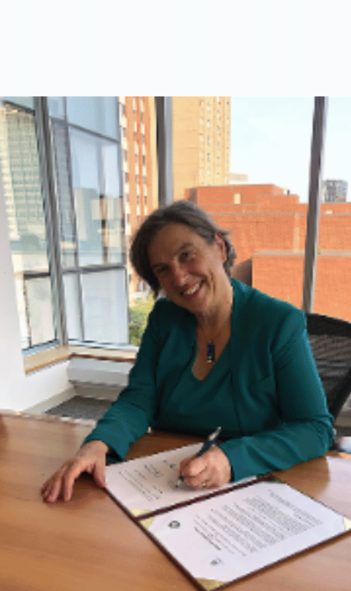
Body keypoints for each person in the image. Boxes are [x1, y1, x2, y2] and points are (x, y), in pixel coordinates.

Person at [42, 201, 333, 502]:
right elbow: (139, 399)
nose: (179, 278)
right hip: (164, 481)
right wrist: (100, 443)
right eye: (163, 270)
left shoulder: (278, 322)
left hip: (249, 485)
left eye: (187, 255)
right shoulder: (164, 318)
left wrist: (231, 459)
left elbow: (314, 428)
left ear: (219, 248)